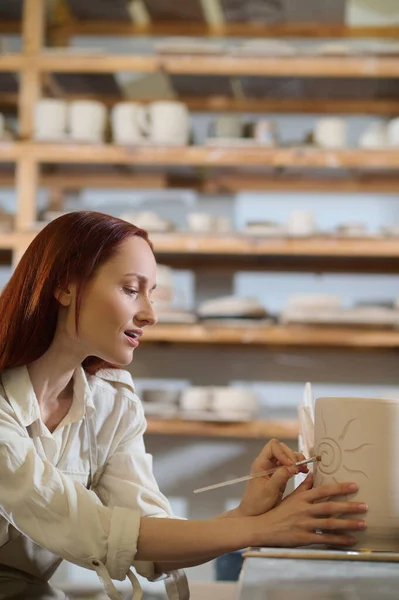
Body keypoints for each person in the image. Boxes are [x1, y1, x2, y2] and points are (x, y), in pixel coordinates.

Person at [0, 211, 367, 600]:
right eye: (130, 289)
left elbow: (145, 533)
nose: (150, 313)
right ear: (65, 287)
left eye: (151, 293)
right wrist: (262, 529)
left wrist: (244, 516)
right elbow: (92, 530)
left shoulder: (110, 403)